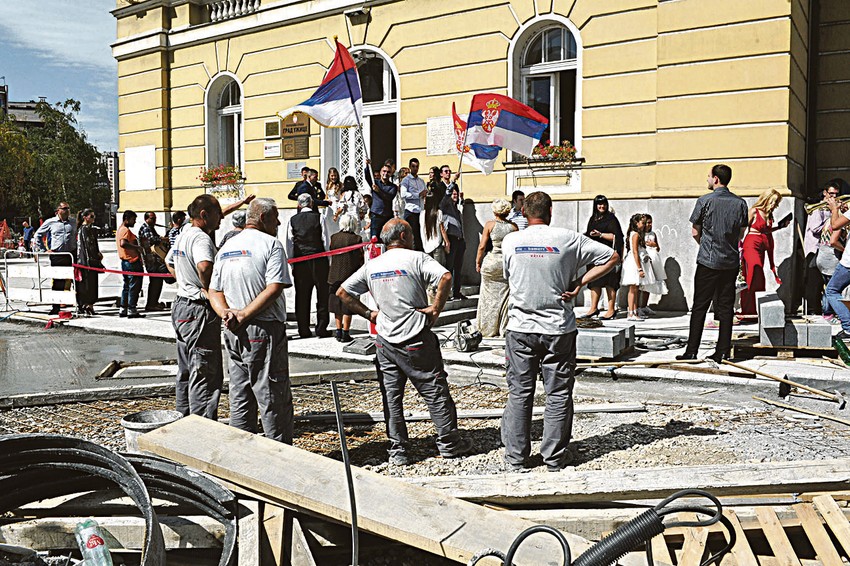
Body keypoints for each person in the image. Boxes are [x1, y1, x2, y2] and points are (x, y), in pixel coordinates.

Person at [336, 219, 473, 465]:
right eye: (411, 234)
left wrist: (370, 314)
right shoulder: (416, 258)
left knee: (392, 397)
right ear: (402, 236)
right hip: (415, 337)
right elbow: (445, 276)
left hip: (385, 341)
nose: (413, 238)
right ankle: (449, 444)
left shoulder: (373, 265)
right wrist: (435, 309)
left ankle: (398, 450)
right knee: (434, 390)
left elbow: (342, 292)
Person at [501, 191, 619, 472]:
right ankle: (554, 457)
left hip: (520, 328)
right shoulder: (569, 238)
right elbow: (612, 256)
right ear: (550, 211)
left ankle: (516, 458)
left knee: (519, 393)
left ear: (524, 212)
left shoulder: (511, 241)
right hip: (557, 329)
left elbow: (509, 276)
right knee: (558, 394)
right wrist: (579, 282)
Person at [209, 198, 294, 443]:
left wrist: (226, 313)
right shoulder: (271, 244)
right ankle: (279, 455)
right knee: (272, 395)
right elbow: (274, 287)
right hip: (262, 328)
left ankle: (242, 454)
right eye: (276, 217)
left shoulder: (227, 247)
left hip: (233, 330)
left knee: (240, 395)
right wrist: (244, 313)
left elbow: (214, 290)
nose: (279, 223)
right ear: (263, 218)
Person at [165, 192, 254, 418]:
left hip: (182, 305)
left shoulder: (185, 233)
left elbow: (168, 261)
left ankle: (183, 420)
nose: (221, 218)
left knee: (187, 369)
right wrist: (210, 289)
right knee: (205, 372)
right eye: (217, 214)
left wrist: (184, 281)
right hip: (199, 310)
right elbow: (204, 266)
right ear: (204, 215)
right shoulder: (201, 239)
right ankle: (201, 427)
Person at [676, 164, 748, 363]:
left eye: (709, 176)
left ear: (716, 179)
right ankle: (723, 351)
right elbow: (741, 233)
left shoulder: (704, 201)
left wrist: (706, 246)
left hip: (708, 261)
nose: (707, 179)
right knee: (726, 308)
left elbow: (695, 231)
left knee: (700, 306)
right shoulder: (740, 203)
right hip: (730, 262)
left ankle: (691, 351)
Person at [285, 193, 332, 338]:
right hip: (319, 259)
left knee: (302, 296)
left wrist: (292, 262)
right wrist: (328, 259)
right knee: (322, 294)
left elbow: (289, 243)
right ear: (311, 203)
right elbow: (325, 240)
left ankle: (303, 329)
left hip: (300, 261)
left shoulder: (292, 220)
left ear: (299, 205)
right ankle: (321, 328)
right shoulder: (320, 217)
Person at [740, 188, 791, 318]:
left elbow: (766, 231)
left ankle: (755, 309)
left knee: (758, 277)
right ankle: (748, 310)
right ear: (766, 199)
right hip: (751, 244)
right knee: (754, 274)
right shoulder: (754, 211)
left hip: (762, 246)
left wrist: (779, 227)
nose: (775, 205)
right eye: (773, 201)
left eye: (777, 203)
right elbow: (742, 229)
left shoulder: (769, 214)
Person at [475, 199, 517, 337]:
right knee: (505, 297)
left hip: (491, 262)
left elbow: (482, 246)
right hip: (505, 264)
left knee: (487, 297)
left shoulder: (489, 225)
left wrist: (478, 262)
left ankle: (487, 328)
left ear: (495, 211)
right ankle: (503, 327)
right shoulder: (514, 227)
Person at [580, 195, 623, 320]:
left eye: (604, 204)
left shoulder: (611, 218)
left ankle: (611, 310)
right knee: (594, 281)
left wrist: (600, 235)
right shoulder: (593, 218)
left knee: (610, 282)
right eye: (599, 204)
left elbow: (617, 237)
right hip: (595, 255)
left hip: (609, 255)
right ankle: (593, 308)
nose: (602, 206)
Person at [34, 201, 77, 315]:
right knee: (58, 282)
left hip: (71, 254)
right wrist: (44, 250)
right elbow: (38, 235)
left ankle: (78, 304)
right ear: (58, 210)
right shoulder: (51, 222)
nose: (67, 211)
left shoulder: (73, 222)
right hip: (58, 255)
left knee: (75, 279)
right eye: (64, 208)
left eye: (68, 208)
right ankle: (56, 306)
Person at [328, 214, 365, 342]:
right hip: (350, 275)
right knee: (348, 304)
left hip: (334, 275)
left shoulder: (334, 237)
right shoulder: (357, 239)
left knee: (336, 304)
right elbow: (361, 257)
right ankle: (345, 332)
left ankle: (338, 331)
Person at [620, 213, 656, 322]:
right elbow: (635, 252)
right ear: (636, 223)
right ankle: (631, 313)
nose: (644, 225)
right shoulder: (635, 234)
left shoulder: (637, 234)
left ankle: (635, 312)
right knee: (633, 289)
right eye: (643, 223)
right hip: (634, 263)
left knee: (635, 289)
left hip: (637, 262)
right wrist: (639, 268)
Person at [116, 210, 145, 319]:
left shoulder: (120, 229)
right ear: (126, 219)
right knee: (134, 286)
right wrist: (137, 248)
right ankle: (131, 309)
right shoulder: (125, 230)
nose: (134, 222)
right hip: (131, 261)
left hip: (126, 262)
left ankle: (124, 308)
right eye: (133, 219)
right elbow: (123, 243)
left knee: (127, 286)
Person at [75, 208, 103, 316]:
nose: (93, 218)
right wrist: (90, 258)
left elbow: (93, 245)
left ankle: (89, 305)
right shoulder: (83, 229)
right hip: (86, 262)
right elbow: (85, 247)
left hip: (92, 261)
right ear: (85, 217)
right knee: (86, 285)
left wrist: (98, 254)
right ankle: (85, 305)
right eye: (91, 216)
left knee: (92, 284)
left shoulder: (91, 229)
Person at [441, 185, 466, 300]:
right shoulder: (447, 206)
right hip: (451, 238)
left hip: (460, 239)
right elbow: (446, 197)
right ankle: (446, 293)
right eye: (453, 193)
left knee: (458, 268)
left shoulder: (457, 208)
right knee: (449, 267)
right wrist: (453, 181)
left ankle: (456, 292)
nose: (455, 195)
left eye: (456, 193)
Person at [639, 214, 668, 316]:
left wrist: (654, 245)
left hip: (654, 261)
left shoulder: (653, 234)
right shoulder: (640, 234)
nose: (649, 225)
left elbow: (658, 248)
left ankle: (644, 306)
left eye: (650, 222)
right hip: (644, 260)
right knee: (641, 285)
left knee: (650, 283)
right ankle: (637, 307)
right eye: (647, 223)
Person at [138, 211, 166, 312]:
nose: (154, 220)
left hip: (154, 260)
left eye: (155, 218)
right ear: (146, 219)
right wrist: (163, 239)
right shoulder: (145, 228)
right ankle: (151, 304)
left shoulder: (151, 228)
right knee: (155, 282)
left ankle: (153, 303)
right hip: (151, 260)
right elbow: (152, 240)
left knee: (157, 282)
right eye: (152, 218)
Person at [400, 157, 427, 251]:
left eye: (417, 166)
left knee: (421, 235)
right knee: (413, 236)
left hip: (421, 211)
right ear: (410, 167)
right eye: (413, 166)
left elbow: (425, 192)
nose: (415, 168)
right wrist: (418, 195)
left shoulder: (421, 181)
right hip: (411, 211)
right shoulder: (406, 180)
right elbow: (403, 194)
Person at [368, 161, 398, 239]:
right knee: (374, 238)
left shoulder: (393, 187)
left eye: (388, 172)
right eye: (384, 171)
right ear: (381, 172)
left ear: (391, 174)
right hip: (376, 214)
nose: (386, 173)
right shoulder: (375, 183)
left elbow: (389, 197)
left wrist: (378, 191)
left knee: (387, 238)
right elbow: (367, 176)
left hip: (387, 216)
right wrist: (367, 165)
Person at [421, 189, 450, 267]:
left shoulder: (422, 214)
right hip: (437, 245)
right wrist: (447, 242)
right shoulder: (438, 212)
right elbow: (442, 229)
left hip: (426, 246)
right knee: (439, 269)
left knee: (430, 270)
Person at [324, 166, 343, 234]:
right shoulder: (328, 185)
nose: (333, 177)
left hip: (337, 206)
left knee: (337, 224)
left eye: (335, 175)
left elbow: (342, 197)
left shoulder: (340, 185)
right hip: (329, 206)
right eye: (332, 176)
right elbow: (327, 196)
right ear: (329, 176)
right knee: (329, 224)